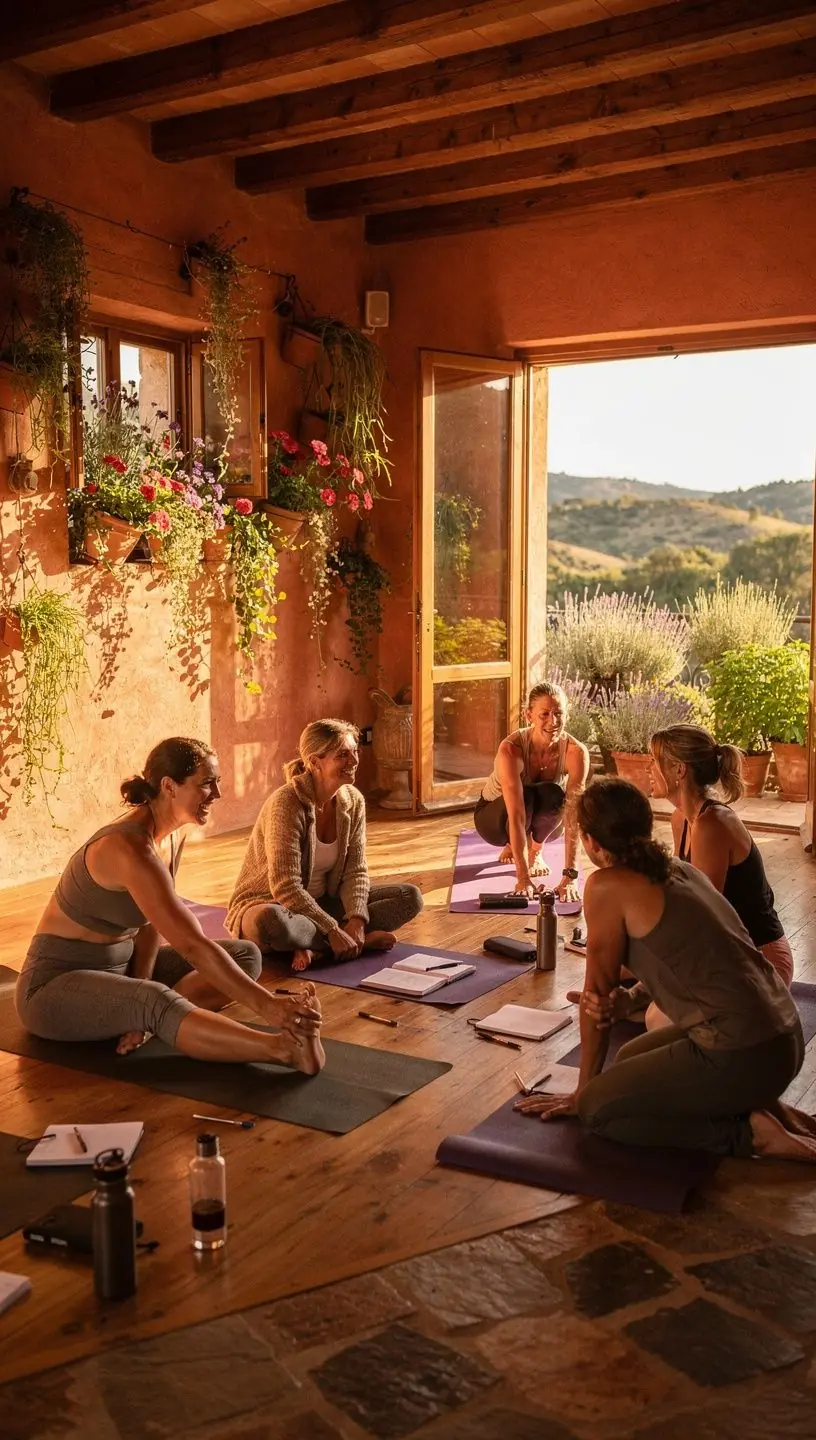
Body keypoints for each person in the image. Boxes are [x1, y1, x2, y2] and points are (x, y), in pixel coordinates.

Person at [515, 777, 816, 1162]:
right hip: (784, 1037)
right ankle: (766, 1108)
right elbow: (692, 957)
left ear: (590, 841)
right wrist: (630, 1000)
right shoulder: (679, 870)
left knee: (599, 1110)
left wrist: (581, 1093)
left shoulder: (607, 887)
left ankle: (748, 1134)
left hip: (746, 1051)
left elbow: (595, 1000)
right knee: (630, 1062)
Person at [15, 738, 324, 1073]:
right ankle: (282, 1049)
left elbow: (149, 926)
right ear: (168, 786)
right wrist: (270, 1008)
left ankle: (150, 1018)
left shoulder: (166, 838)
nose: (217, 794)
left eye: (217, 782)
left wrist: (140, 983)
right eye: (207, 783)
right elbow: (191, 945)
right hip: (52, 989)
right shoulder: (129, 849)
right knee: (154, 1000)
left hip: (119, 969)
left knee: (246, 956)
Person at [226, 719, 423, 971]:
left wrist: (357, 919)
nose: (353, 761)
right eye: (342, 755)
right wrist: (331, 928)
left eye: (355, 752)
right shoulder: (286, 803)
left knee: (410, 897)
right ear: (314, 762)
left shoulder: (353, 801)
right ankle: (343, 943)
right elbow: (285, 887)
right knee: (271, 923)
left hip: (324, 902)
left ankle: (321, 947)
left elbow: (356, 871)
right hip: (275, 904)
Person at [651, 724, 793, 986]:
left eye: (655, 762)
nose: (650, 769)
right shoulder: (680, 818)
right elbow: (680, 892)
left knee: (656, 1009)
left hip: (760, 957)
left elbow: (704, 914)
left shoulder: (712, 824)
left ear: (679, 770)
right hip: (725, 948)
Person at [474, 681, 590, 902]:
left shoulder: (576, 753)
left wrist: (570, 876)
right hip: (494, 818)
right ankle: (512, 846)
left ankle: (536, 850)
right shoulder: (511, 749)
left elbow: (574, 815)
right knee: (525, 795)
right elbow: (516, 815)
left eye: (558, 713)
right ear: (528, 715)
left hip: (541, 820)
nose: (552, 721)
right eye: (544, 714)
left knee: (555, 795)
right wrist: (523, 878)